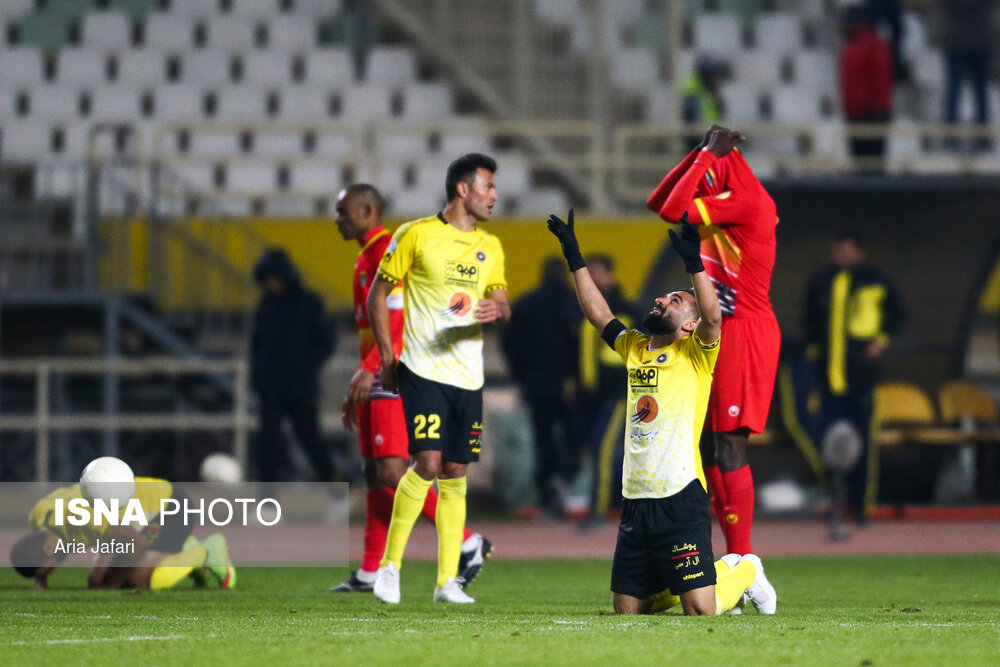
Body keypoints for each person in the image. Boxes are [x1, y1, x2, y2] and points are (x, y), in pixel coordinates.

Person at [546, 208, 776, 615]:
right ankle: (690, 580)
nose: (660, 299)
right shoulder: (634, 347)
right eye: (665, 296)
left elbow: (713, 315)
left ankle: (744, 570)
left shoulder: (696, 354)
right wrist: (574, 258)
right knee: (627, 611)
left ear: (689, 324)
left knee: (701, 610)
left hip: (680, 495)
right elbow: (598, 312)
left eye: (675, 300)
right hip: (636, 499)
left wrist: (693, 266)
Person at [330, 183, 492, 593]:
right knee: (373, 471)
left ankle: (467, 542)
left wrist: (370, 369)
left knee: (392, 468)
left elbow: (399, 320)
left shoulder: (388, 252)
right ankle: (370, 569)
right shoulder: (366, 255)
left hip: (397, 369)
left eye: (344, 212)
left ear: (368, 210)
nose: (338, 220)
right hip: (378, 368)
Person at [367, 153, 510, 605]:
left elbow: (502, 301)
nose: (495, 195)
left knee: (456, 471)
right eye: (487, 186)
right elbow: (379, 292)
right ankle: (389, 568)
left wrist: (497, 309)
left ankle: (447, 581)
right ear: (462, 190)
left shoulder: (492, 245)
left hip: (469, 375)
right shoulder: (416, 234)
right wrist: (387, 356)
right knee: (426, 463)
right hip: (423, 368)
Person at [646, 125, 781, 557]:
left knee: (729, 444)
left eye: (707, 172)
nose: (700, 181)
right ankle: (732, 555)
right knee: (709, 443)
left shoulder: (746, 201)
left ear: (722, 170)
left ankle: (745, 561)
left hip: (745, 328)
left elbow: (673, 210)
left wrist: (705, 158)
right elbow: (659, 202)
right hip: (721, 326)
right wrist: (699, 152)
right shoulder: (724, 193)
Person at [803, 230, 906, 535]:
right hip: (828, 379)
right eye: (837, 250)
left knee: (863, 444)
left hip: (861, 379)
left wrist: (881, 340)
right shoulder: (821, 280)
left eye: (847, 250)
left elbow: (898, 313)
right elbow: (809, 323)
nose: (841, 256)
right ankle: (834, 502)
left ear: (859, 251)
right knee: (828, 442)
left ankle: (862, 507)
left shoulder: (875, 278)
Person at [10, 478, 235, 590]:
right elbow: (37, 548)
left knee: (141, 579)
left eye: (48, 567)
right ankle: (180, 552)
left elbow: (136, 543)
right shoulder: (40, 517)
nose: (52, 569)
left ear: (48, 547)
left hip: (169, 506)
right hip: (130, 519)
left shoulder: (82, 517)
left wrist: (111, 590)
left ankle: (206, 551)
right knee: (95, 581)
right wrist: (39, 576)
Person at [501, 256, 581, 517]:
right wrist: (576, 379)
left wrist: (520, 376)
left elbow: (509, 342)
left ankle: (548, 499)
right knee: (575, 441)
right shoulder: (573, 302)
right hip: (568, 387)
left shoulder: (525, 304)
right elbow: (580, 345)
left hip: (535, 386)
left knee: (543, 442)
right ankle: (563, 478)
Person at [250, 248, 336, 482]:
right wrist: (257, 379)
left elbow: (327, 342)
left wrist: (307, 367)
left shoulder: (309, 303)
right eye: (267, 279)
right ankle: (266, 502)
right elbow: (256, 346)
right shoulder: (265, 306)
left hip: (301, 389)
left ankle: (334, 490)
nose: (271, 284)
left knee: (311, 439)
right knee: (268, 445)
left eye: (274, 278)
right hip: (271, 390)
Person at [577, 254, 638, 524]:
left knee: (603, 450)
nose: (593, 279)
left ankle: (598, 510)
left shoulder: (627, 311)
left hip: (618, 395)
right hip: (593, 398)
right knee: (598, 450)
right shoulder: (581, 309)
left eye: (597, 272)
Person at [840, 6, 893, 174]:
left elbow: (881, 79)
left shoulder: (872, 45)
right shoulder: (853, 46)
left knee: (872, 165)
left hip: (871, 115)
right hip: (856, 114)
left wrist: (879, 108)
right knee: (860, 165)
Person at [940, 0, 995, 149]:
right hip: (978, 40)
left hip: (959, 40)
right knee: (979, 92)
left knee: (957, 91)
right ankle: (981, 138)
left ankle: (951, 137)